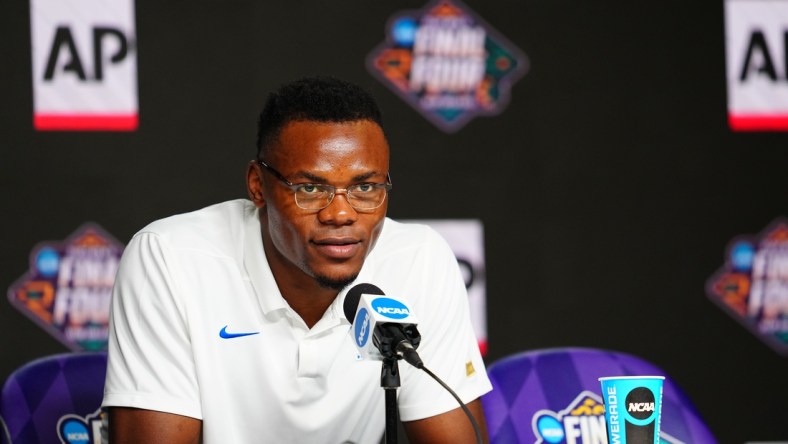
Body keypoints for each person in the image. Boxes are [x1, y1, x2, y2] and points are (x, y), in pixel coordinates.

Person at [102, 76, 492, 443]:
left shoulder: (419, 259)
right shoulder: (171, 258)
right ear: (258, 186)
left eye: (365, 187)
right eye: (309, 188)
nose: (340, 213)